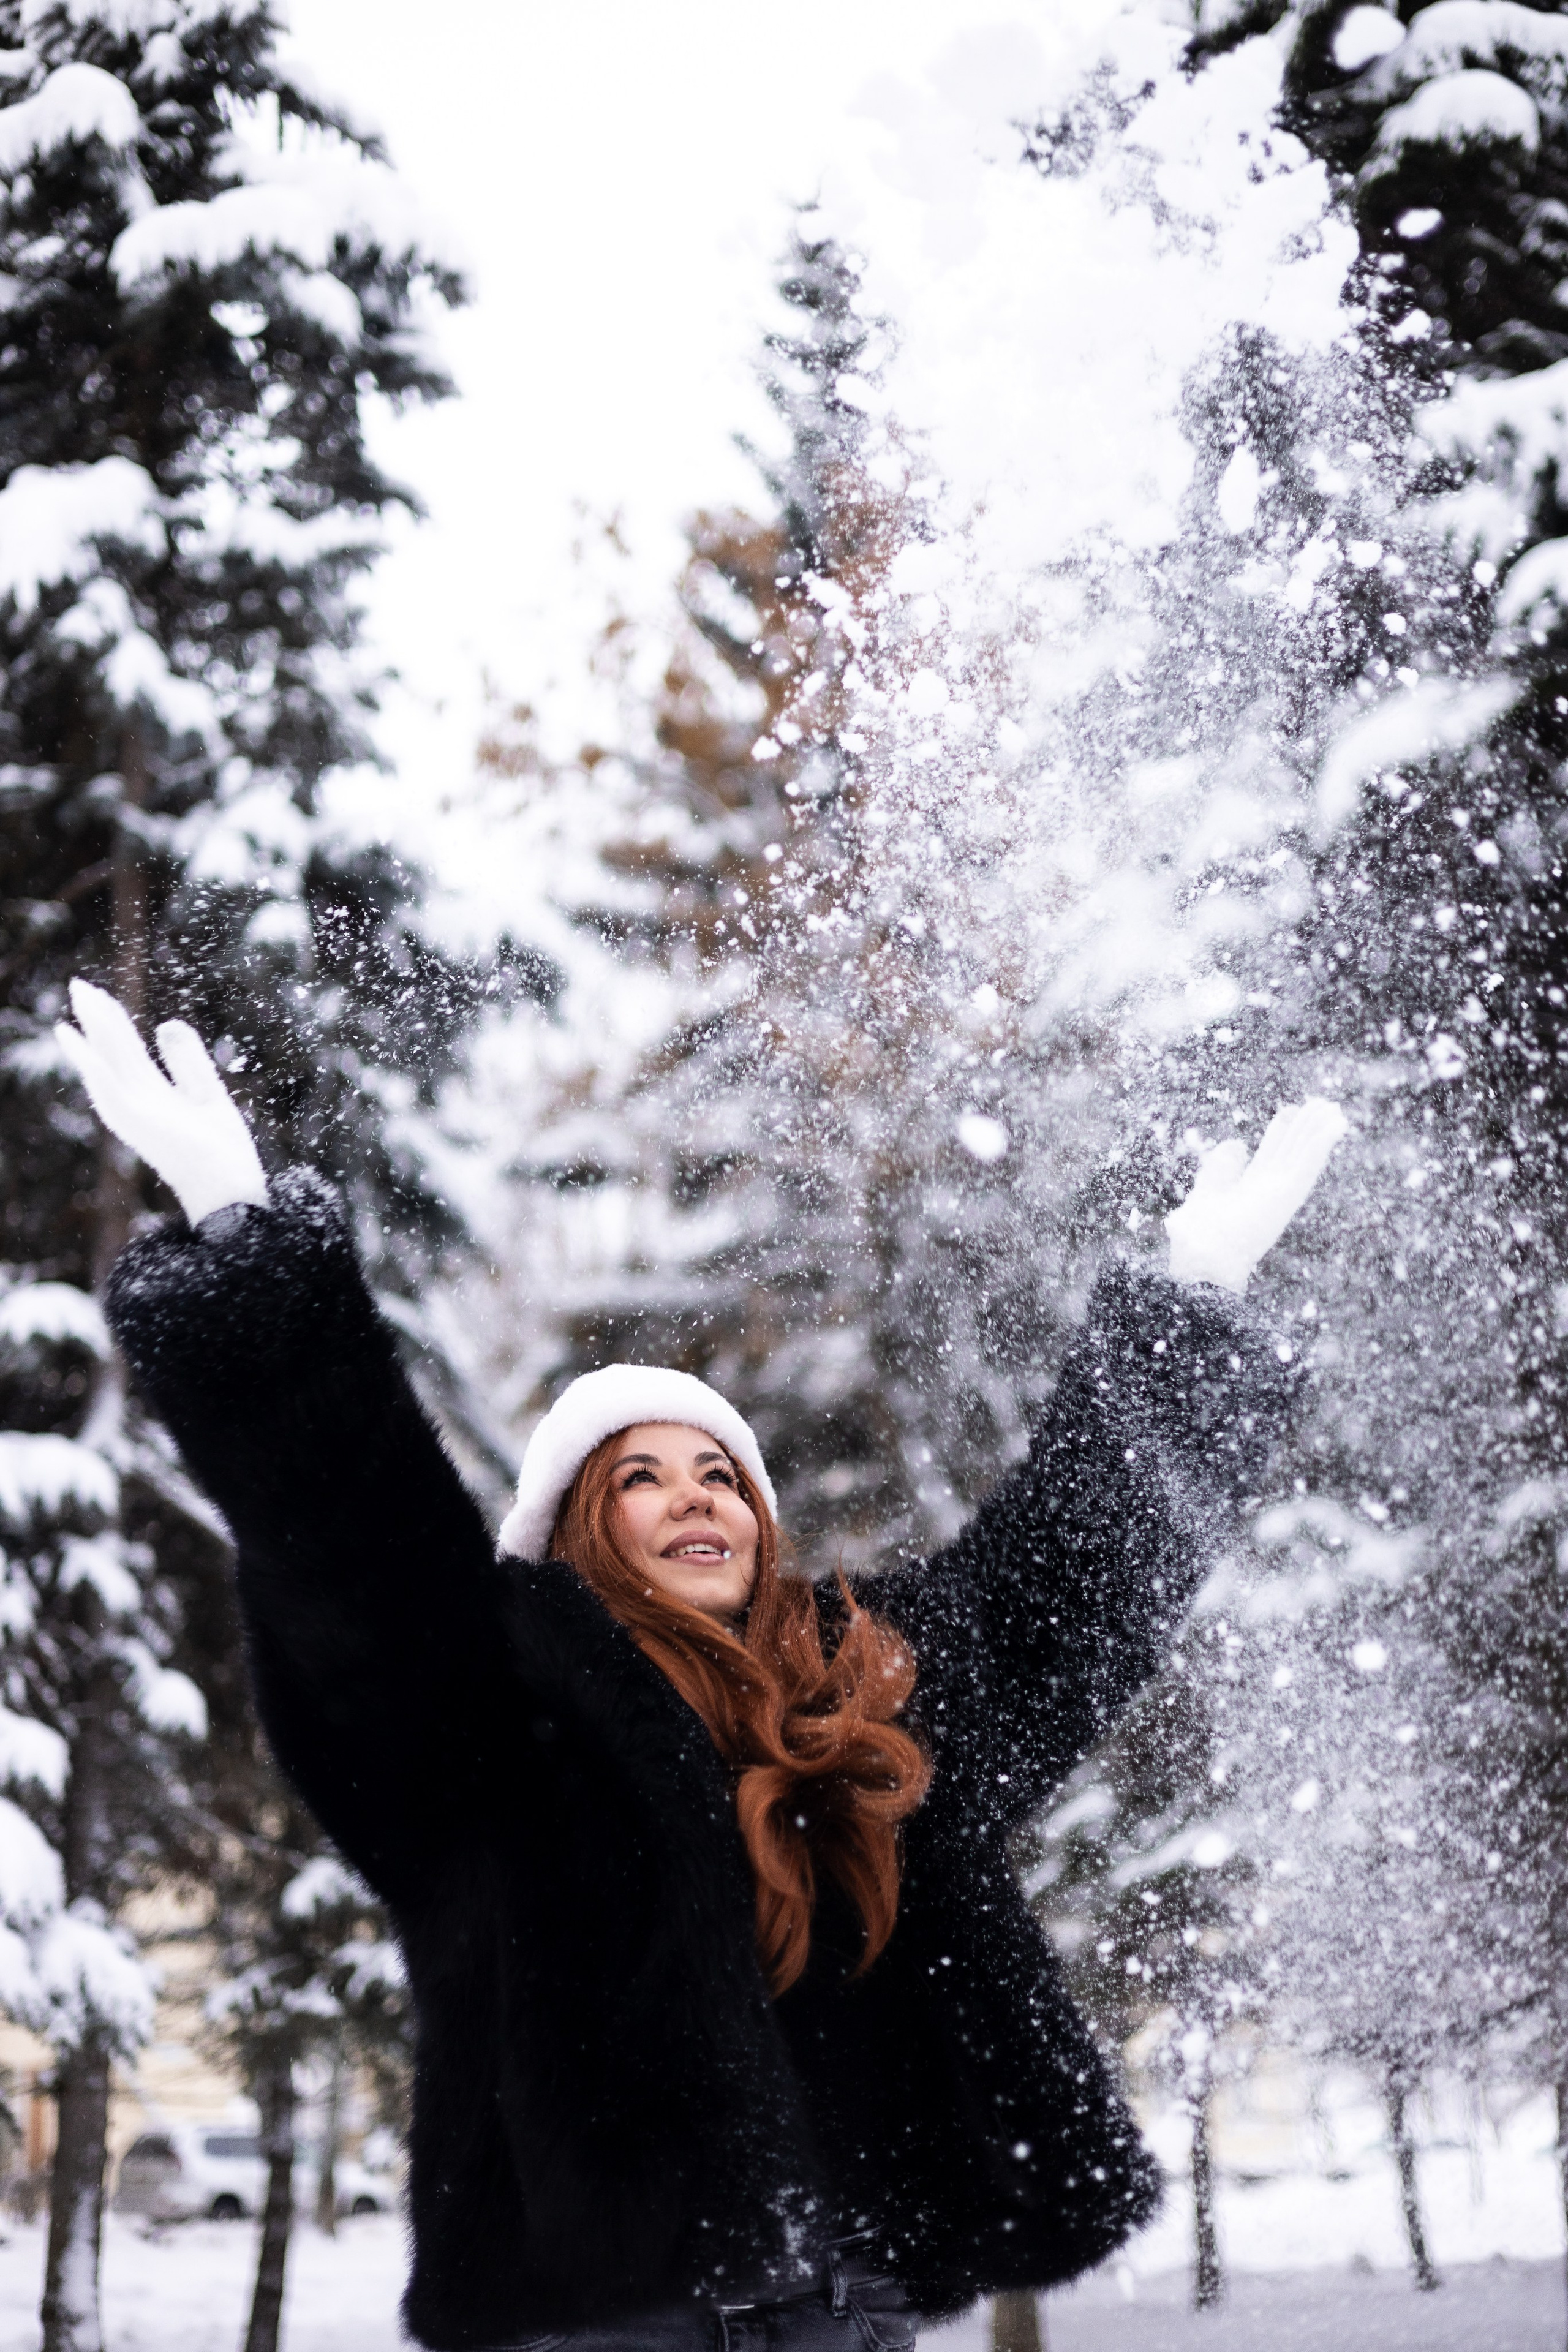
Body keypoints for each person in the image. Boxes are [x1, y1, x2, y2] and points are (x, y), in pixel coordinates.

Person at [57, 981, 1346, 2352]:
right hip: (606, 2312)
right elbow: (354, 1550)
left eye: (721, 1473)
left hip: (845, 2301)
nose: (696, 1499)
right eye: (641, 1478)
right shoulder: (490, 1713)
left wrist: (1184, 1319)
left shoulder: (860, 1690)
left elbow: (1056, 1595)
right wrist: (254, 1260)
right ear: (565, 1531)